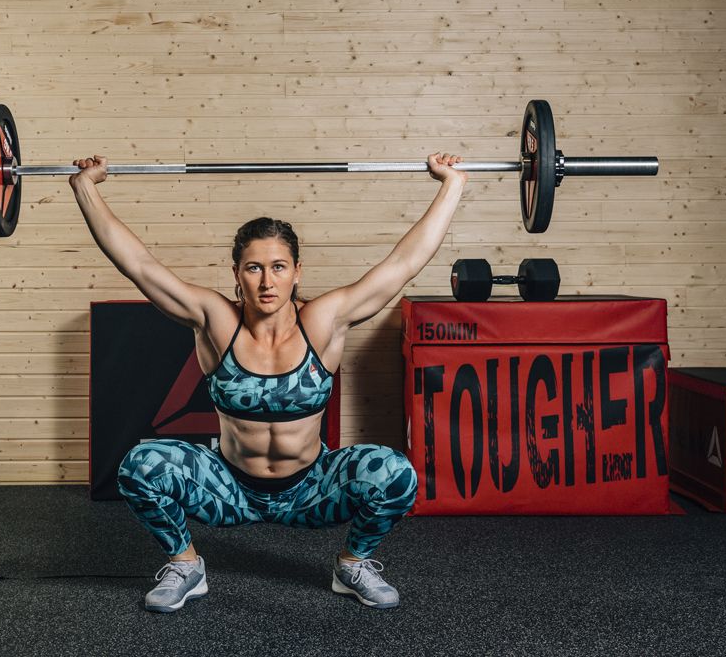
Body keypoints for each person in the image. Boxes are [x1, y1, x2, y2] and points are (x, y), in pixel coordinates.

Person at [69, 152, 467, 612]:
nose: (266, 281)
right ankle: (186, 565)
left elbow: (404, 263)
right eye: (254, 268)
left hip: (311, 490)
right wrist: (86, 188)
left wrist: (452, 184)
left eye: (278, 266)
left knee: (395, 474)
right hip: (228, 488)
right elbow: (138, 265)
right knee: (140, 466)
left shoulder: (323, 322)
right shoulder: (215, 321)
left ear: (298, 272)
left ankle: (352, 563)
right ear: (237, 275)